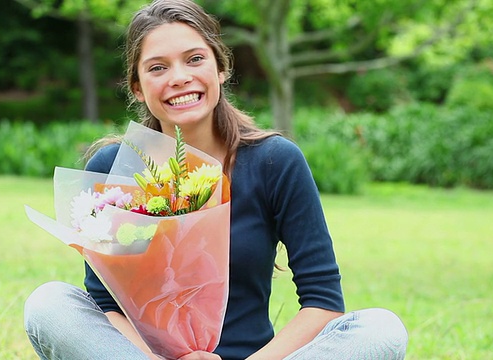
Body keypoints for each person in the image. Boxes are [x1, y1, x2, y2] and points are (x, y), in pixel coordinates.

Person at [24, 0, 409, 359]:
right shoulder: (114, 167)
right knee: (49, 303)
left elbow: (323, 301)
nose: (179, 77)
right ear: (137, 87)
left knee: (381, 329)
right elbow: (105, 304)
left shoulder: (275, 161)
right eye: (158, 68)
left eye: (195, 59)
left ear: (221, 69)